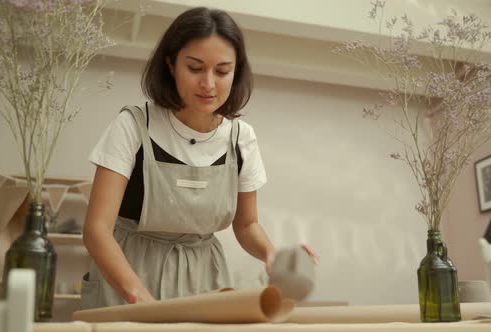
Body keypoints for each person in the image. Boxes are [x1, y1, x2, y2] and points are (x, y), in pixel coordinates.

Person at [81, 7, 317, 309]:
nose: (209, 83)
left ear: (236, 71)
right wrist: (138, 297)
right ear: (170, 64)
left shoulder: (241, 139)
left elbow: (246, 225)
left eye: (222, 71)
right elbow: (97, 230)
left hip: (205, 281)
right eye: (195, 68)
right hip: (128, 276)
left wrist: (272, 254)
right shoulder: (133, 127)